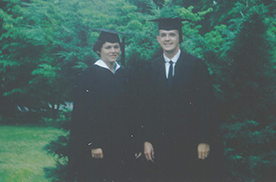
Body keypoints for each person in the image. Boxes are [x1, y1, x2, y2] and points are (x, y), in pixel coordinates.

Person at [139, 17, 223, 182]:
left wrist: (204, 140)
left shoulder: (196, 66)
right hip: (160, 144)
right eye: (163, 35)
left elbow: (207, 106)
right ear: (158, 39)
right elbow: (146, 108)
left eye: (172, 34)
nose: (167, 39)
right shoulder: (150, 69)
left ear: (180, 38)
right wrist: (146, 139)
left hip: (189, 143)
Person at [68, 29, 133, 182]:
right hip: (99, 146)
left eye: (116, 47)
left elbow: (131, 111)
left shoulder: (124, 75)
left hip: (121, 143)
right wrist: (94, 143)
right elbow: (85, 113)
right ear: (99, 49)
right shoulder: (89, 75)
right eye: (108, 47)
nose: (113, 51)